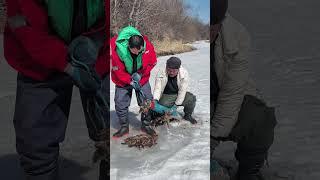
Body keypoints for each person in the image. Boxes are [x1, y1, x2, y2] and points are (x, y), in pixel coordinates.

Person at [4, 0, 109, 179]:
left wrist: (97, 39)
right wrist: (66, 64)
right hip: (37, 58)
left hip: (99, 54)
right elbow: (21, 20)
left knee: (110, 133)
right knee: (35, 144)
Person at [210, 0, 277, 180]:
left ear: (221, 21)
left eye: (213, 27)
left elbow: (232, 92)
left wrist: (213, 136)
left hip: (226, 101)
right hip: (203, 106)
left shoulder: (237, 36)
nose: (208, 33)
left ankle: (248, 173)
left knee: (260, 120)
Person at [111, 26, 157, 137]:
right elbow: (117, 69)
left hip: (141, 77)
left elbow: (153, 62)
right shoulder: (116, 48)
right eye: (133, 51)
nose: (136, 54)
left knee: (146, 100)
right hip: (122, 78)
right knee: (120, 102)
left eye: (139, 51)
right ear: (128, 46)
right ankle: (124, 127)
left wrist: (141, 74)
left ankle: (146, 125)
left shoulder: (147, 46)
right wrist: (129, 80)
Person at [153, 56, 197, 124]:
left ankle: (188, 115)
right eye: (169, 70)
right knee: (162, 105)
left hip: (179, 94)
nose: (171, 73)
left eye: (174, 71)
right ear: (166, 67)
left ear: (178, 69)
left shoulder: (184, 73)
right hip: (167, 95)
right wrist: (155, 100)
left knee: (191, 98)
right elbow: (157, 88)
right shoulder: (161, 72)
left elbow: (182, 91)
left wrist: (175, 105)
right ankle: (164, 117)